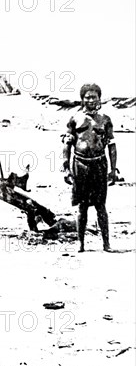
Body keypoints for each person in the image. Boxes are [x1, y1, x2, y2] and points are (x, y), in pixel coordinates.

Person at [62, 83, 117, 252]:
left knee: (101, 205)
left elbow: (112, 146)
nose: (91, 100)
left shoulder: (105, 119)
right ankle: (80, 243)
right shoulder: (74, 119)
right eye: (87, 97)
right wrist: (66, 168)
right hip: (80, 164)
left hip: (99, 164)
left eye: (94, 96)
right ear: (82, 99)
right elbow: (67, 145)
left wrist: (113, 170)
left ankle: (106, 244)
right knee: (82, 206)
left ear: (99, 98)